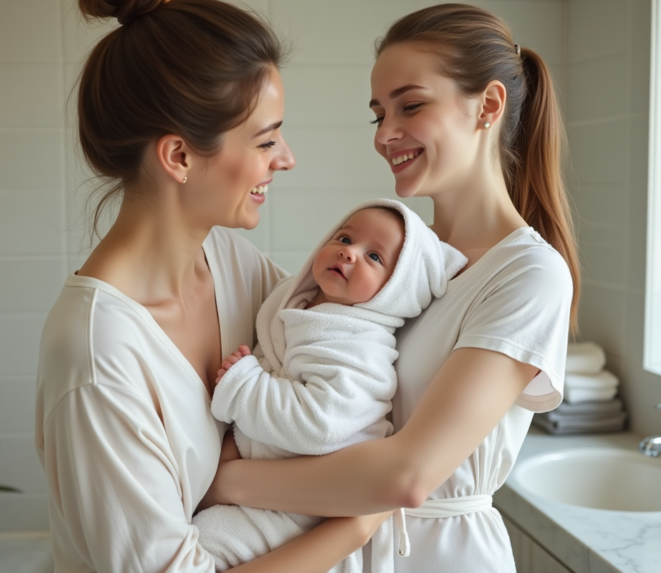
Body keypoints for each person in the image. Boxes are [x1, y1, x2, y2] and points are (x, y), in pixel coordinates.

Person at [204, 4, 580, 572]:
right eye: (378, 114)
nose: (386, 134)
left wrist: (224, 481)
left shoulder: (529, 275)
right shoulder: (399, 269)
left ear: (489, 106)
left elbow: (407, 476)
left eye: (412, 105)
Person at [33, 1, 391, 572]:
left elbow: (352, 336)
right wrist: (358, 522)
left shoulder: (230, 263)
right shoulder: (97, 357)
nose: (287, 159)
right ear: (178, 156)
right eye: (265, 140)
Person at [193, 200, 466, 572]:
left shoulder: (360, 346)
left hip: (305, 511)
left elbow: (320, 423)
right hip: (267, 490)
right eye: (345, 237)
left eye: (374, 256)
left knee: (202, 545)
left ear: (396, 291)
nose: (349, 252)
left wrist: (245, 386)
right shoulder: (301, 304)